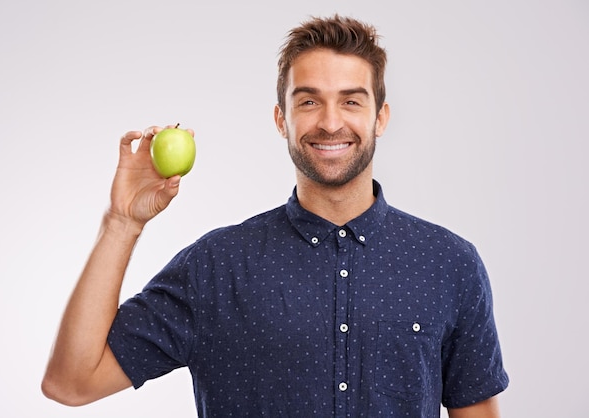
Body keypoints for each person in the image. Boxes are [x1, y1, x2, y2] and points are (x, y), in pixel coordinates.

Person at [42, 14, 509, 417]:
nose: (329, 122)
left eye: (351, 100)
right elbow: (72, 382)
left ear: (380, 117)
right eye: (308, 101)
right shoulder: (215, 266)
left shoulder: (449, 263)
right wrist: (122, 222)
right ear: (281, 119)